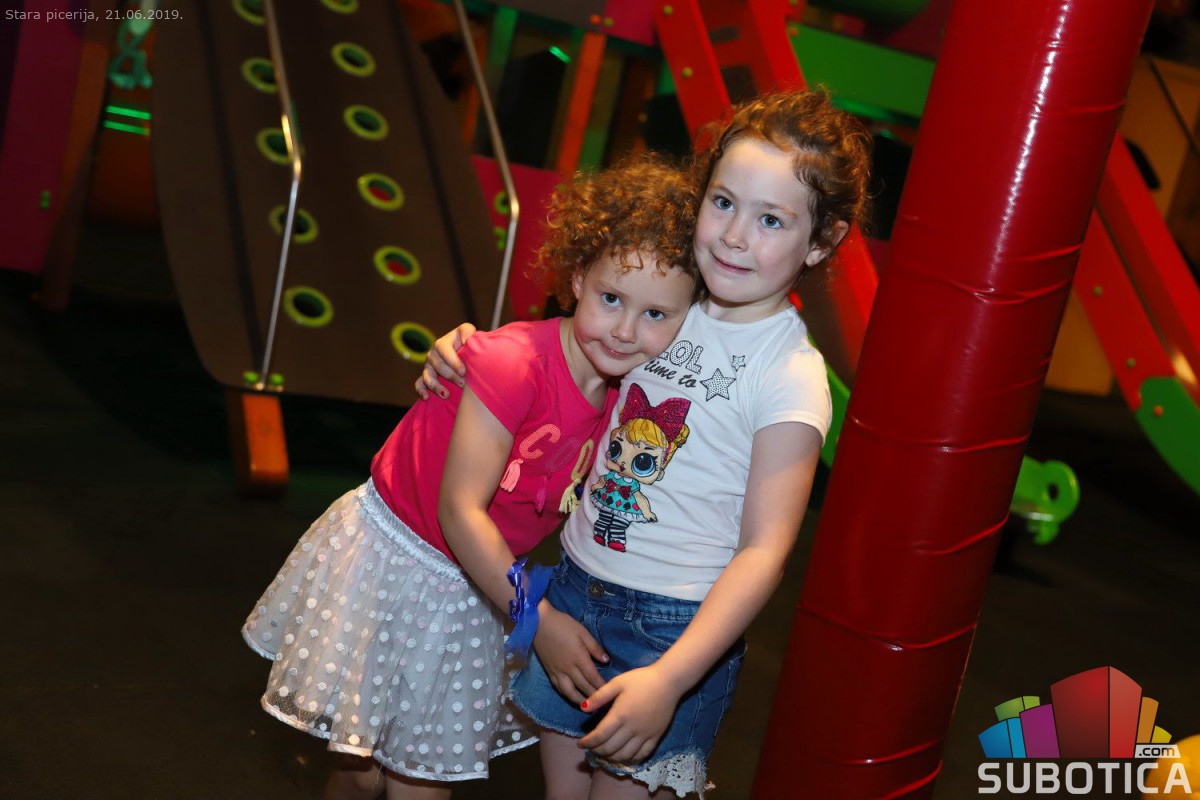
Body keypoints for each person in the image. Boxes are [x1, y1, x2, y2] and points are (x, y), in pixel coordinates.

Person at [415, 90, 872, 799]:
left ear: (822, 240)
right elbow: (555, 357)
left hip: (673, 632)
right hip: (574, 590)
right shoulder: (665, 299)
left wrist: (672, 677)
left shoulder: (788, 374)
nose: (734, 236)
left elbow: (764, 551)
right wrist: (466, 346)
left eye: (771, 220)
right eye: (723, 202)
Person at [242, 156, 703, 800]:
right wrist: (535, 619)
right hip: (398, 565)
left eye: (657, 314)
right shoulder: (514, 364)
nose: (626, 330)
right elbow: (460, 510)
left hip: (480, 583)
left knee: (409, 775)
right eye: (611, 299)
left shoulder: (628, 403)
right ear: (577, 278)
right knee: (368, 769)